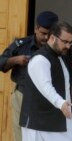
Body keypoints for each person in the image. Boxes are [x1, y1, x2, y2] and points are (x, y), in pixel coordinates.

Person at [0, 11, 58, 141]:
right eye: (43, 33)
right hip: (22, 96)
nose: (45, 38)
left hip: (47, 99)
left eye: (49, 34)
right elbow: (1, 63)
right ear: (36, 28)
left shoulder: (58, 48)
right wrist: (16, 60)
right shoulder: (21, 44)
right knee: (21, 135)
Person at [19, 21, 72, 141]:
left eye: (71, 42)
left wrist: (65, 106)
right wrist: (61, 103)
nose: (68, 46)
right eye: (65, 42)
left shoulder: (61, 57)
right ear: (52, 38)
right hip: (37, 122)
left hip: (59, 118)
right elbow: (45, 86)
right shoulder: (40, 59)